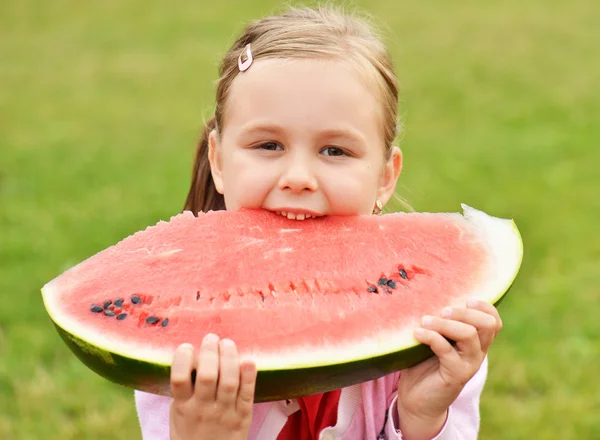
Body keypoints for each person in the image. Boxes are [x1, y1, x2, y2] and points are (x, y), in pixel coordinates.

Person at [135, 6, 503, 440]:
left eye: (335, 151)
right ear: (218, 160)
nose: (298, 178)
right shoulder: (176, 327)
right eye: (268, 144)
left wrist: (422, 419)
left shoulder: (432, 331)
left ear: (385, 176)